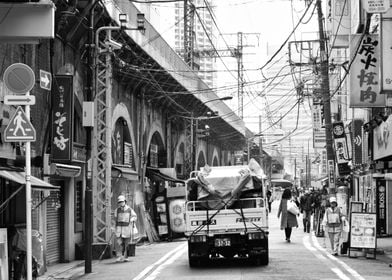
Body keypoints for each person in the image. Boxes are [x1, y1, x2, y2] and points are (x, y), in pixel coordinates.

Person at [114, 195, 137, 262]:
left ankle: (125, 256)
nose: (121, 203)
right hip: (119, 229)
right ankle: (119, 256)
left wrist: (132, 219)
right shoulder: (117, 210)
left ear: (125, 201)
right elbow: (114, 219)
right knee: (119, 243)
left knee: (126, 243)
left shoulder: (129, 210)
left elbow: (134, 216)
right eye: (120, 202)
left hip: (127, 229)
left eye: (122, 202)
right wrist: (113, 228)